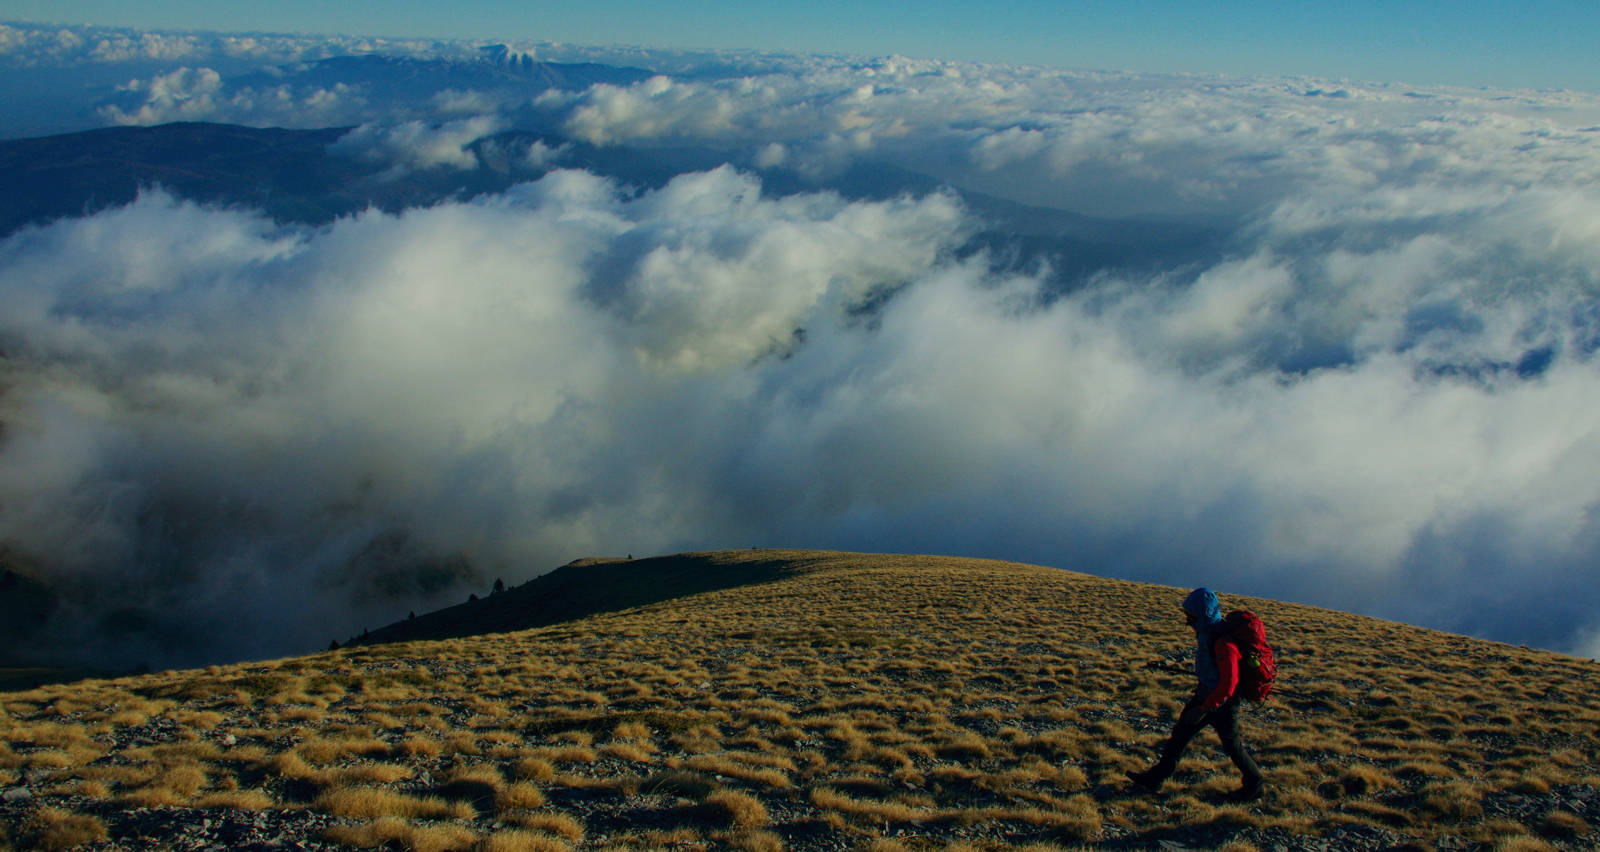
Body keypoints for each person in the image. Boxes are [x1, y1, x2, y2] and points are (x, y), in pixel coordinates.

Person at [1127, 586, 1265, 802]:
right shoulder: (1207, 634)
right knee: (1179, 737)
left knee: (1232, 746)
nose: (1188, 621)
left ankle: (1255, 784)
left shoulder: (1223, 643)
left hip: (1221, 703)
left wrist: (1202, 709)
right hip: (1207, 696)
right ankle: (1155, 778)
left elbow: (1228, 685)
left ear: (1204, 614)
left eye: (1191, 616)